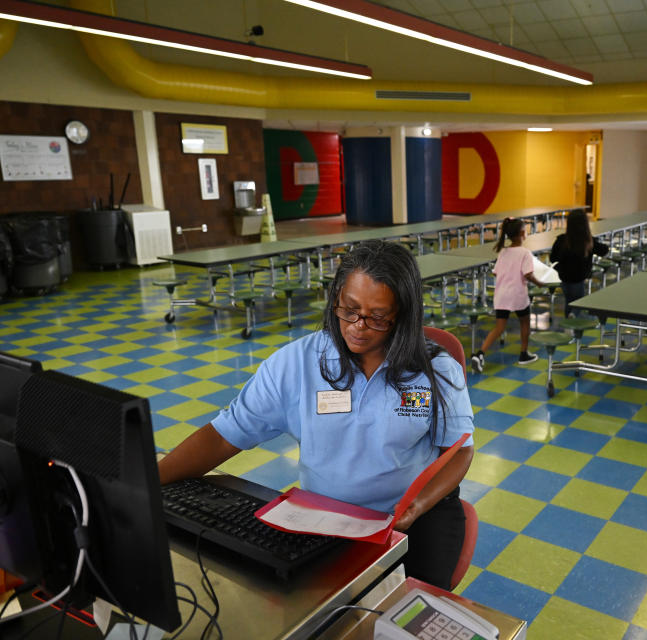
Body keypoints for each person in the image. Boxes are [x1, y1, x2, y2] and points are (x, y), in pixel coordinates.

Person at [157, 240, 474, 589]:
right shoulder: (296, 363)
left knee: (408, 610)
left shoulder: (435, 369)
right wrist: (147, 481)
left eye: (378, 317)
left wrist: (417, 506)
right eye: (349, 309)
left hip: (416, 516)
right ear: (335, 297)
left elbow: (459, 450)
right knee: (310, 606)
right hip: (328, 516)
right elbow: (223, 435)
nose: (358, 325)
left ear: (403, 314)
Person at [470, 218, 545, 373]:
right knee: (525, 322)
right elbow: (528, 274)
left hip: (501, 295)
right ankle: (524, 354)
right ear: (523, 234)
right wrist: (539, 283)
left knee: (499, 327)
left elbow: (496, 272)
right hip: (517, 295)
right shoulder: (525, 253)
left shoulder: (503, 252)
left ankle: (480, 354)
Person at [549, 209, 609, 316]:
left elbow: (552, 258)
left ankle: (569, 321)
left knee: (569, 300)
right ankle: (572, 317)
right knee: (577, 303)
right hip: (579, 278)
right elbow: (604, 250)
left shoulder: (561, 240)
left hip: (564, 278)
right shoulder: (588, 241)